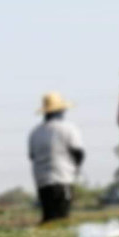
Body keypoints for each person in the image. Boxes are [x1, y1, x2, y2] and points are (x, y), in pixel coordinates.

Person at [28, 91, 84, 223]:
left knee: (48, 216)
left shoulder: (35, 132)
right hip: (62, 179)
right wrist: (76, 168)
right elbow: (78, 153)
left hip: (42, 181)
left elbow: (32, 156)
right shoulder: (68, 128)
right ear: (61, 110)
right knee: (62, 217)